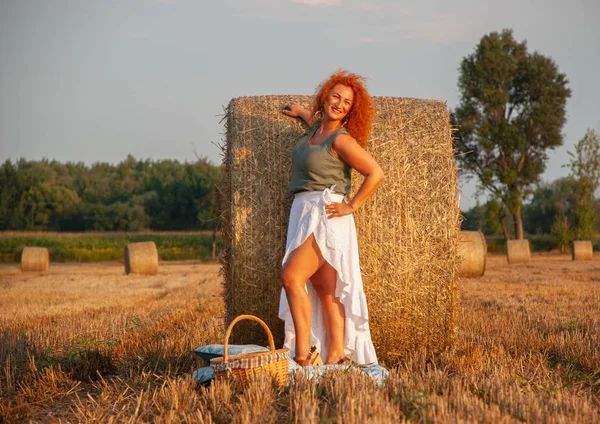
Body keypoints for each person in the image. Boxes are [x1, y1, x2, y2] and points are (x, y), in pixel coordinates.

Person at [278, 70, 384, 366]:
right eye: (335, 96)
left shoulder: (342, 140)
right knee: (326, 289)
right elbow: (318, 125)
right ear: (324, 98)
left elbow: (375, 173)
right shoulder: (317, 131)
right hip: (304, 211)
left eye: (347, 102)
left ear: (351, 110)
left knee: (291, 277)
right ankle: (336, 354)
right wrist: (301, 112)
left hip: (325, 212)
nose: (339, 104)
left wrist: (352, 205)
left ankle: (302, 354)